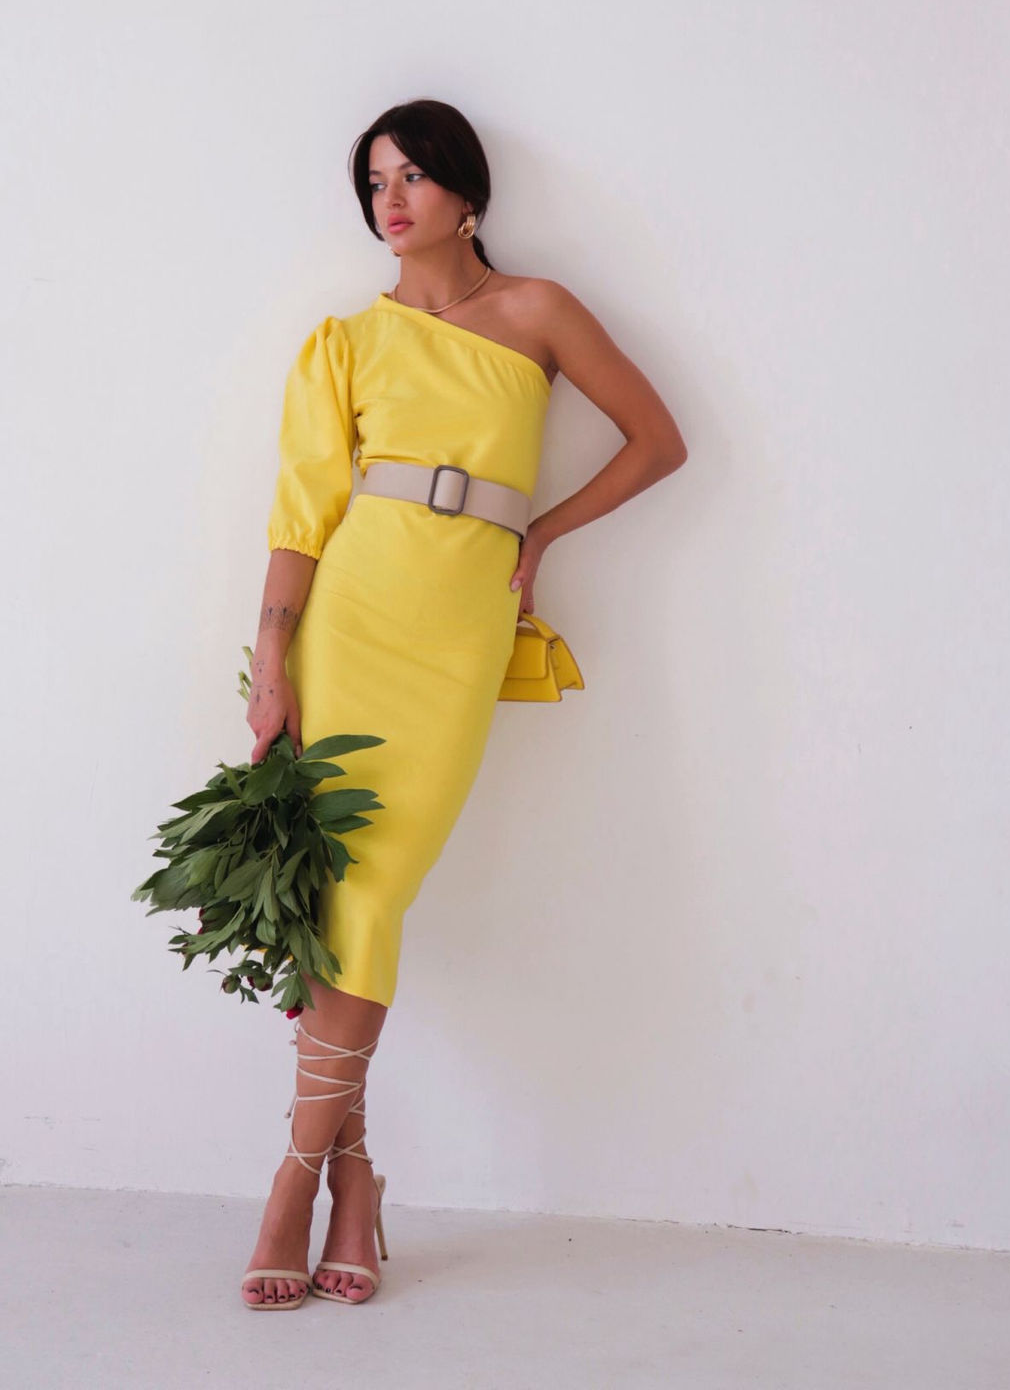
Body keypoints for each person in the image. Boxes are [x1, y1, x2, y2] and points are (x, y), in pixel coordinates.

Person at [239, 98, 688, 1309]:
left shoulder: (539, 312)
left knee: (372, 886)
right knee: (339, 895)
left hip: (455, 630)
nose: (390, 200)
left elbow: (657, 442)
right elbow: (300, 519)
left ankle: (305, 1176)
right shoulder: (343, 343)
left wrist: (541, 533)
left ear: (467, 195)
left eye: (413, 176)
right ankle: (334, 1184)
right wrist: (272, 662)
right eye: (374, 182)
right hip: (351, 619)